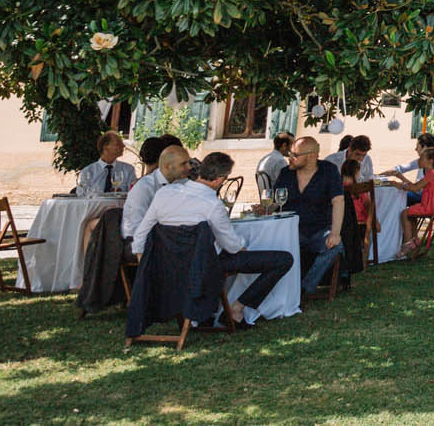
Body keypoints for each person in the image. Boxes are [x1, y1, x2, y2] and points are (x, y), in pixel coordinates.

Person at [133, 150, 292, 325]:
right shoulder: (213, 204)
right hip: (202, 267)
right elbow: (231, 245)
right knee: (283, 259)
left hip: (166, 266)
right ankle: (236, 308)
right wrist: (242, 246)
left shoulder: (165, 193)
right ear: (220, 180)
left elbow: (141, 232)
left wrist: (144, 267)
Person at [274, 135, 347, 294]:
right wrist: (265, 207)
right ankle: (278, 289)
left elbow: (338, 201)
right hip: (291, 230)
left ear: (312, 155)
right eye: (290, 154)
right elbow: (276, 202)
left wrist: (335, 233)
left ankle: (303, 289)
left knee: (336, 246)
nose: (290, 158)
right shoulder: (285, 173)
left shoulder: (329, 170)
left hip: (318, 231)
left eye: (295, 155)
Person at [121, 143, 190, 255]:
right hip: (137, 241)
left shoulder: (183, 183)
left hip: (169, 237)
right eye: (183, 164)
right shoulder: (144, 187)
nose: (189, 167)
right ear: (167, 166)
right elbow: (136, 226)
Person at [392, 146, 434, 256]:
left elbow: (415, 188)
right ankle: (415, 239)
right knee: (411, 212)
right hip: (431, 204)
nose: (419, 161)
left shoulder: (431, 173)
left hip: (430, 205)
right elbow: (416, 186)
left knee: (404, 213)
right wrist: (401, 178)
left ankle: (408, 243)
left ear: (430, 161)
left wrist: (399, 185)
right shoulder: (431, 173)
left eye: (422, 159)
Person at [76, 131, 137, 197]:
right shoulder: (88, 171)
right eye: (118, 143)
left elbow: (133, 194)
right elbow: (81, 195)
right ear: (105, 147)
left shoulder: (128, 170)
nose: (123, 145)